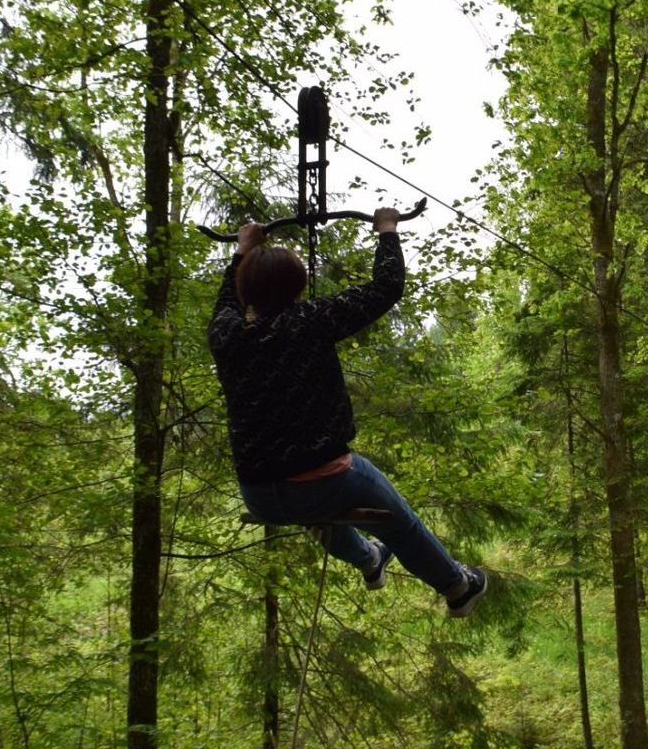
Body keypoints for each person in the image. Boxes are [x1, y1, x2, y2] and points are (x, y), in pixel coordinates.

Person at [207, 209, 487, 618]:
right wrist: (387, 231)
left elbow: (226, 302)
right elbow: (385, 288)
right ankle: (457, 587)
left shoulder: (227, 336)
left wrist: (241, 255)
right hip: (326, 481)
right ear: (298, 286)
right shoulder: (310, 321)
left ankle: (368, 560)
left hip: (260, 494)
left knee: (321, 516)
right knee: (398, 522)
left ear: (246, 291)